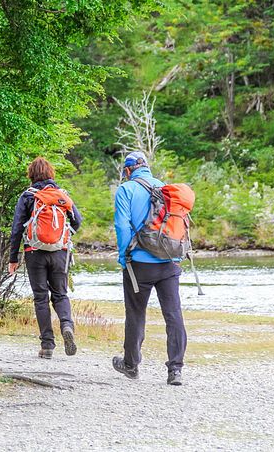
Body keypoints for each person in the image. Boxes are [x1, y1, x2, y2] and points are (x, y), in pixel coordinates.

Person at [112, 151, 187, 385]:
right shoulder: (164, 188)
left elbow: (122, 226)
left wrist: (125, 257)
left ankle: (131, 365)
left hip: (139, 264)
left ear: (128, 171)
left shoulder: (125, 190)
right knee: (173, 315)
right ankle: (175, 369)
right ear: (147, 167)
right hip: (168, 262)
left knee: (135, 314)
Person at [8, 157, 83, 359]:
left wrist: (13, 257)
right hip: (60, 252)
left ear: (31, 174)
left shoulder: (28, 196)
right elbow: (78, 221)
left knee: (41, 297)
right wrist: (64, 236)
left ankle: (47, 345)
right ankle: (67, 325)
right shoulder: (61, 195)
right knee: (60, 294)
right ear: (51, 173)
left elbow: (16, 229)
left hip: (34, 252)